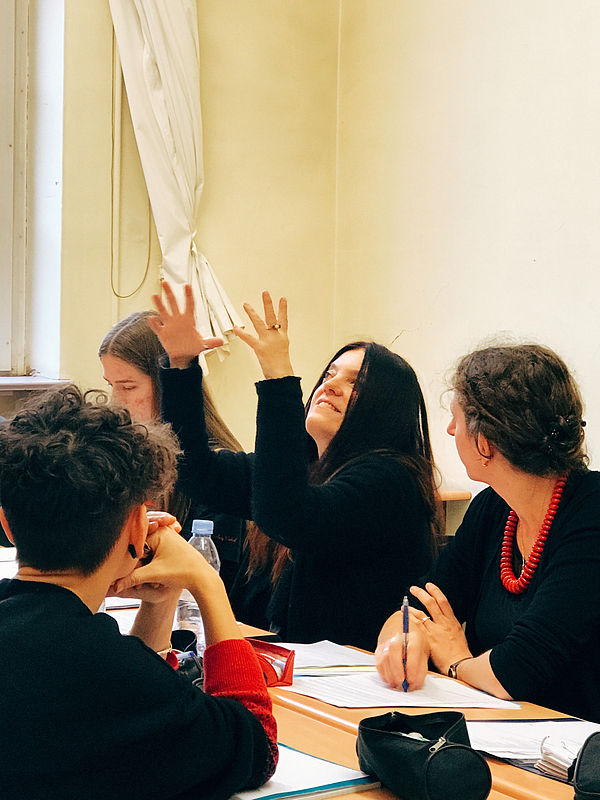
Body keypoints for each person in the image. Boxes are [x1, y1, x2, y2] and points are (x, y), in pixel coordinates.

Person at [0, 385, 277, 800]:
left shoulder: (85, 651)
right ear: (135, 526)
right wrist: (207, 582)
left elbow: (144, 712)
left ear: (6, 524)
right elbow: (255, 745)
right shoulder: (110, 669)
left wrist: (162, 601)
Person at [148, 282, 442, 651]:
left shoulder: (392, 480)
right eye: (330, 374)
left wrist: (279, 378)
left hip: (361, 682)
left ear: (384, 410)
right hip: (305, 671)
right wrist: (182, 364)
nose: (331, 386)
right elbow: (195, 472)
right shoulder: (305, 465)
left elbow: (286, 514)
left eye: (355, 383)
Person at [376, 343, 600, 723]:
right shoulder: (494, 508)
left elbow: (517, 670)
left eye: (457, 419)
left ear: (486, 442)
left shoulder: (590, 512)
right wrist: (404, 641)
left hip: (575, 758)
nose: (450, 429)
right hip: (506, 733)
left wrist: (455, 662)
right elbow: (417, 605)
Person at [99, 310, 245, 591]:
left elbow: (206, 582)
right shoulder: (123, 451)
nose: (115, 402)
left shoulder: (216, 469)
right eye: (110, 386)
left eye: (128, 386)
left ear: (168, 386)